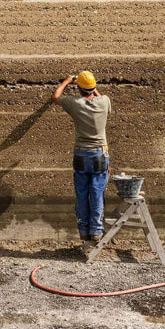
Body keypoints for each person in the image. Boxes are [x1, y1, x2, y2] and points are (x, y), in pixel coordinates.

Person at [51, 71, 111, 245]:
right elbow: (98, 96)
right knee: (97, 193)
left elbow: (55, 97)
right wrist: (92, 87)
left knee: (82, 193)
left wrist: (67, 81)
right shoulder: (104, 101)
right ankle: (97, 231)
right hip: (100, 154)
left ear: (79, 89)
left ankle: (84, 232)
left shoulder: (75, 103)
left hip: (81, 154)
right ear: (93, 87)